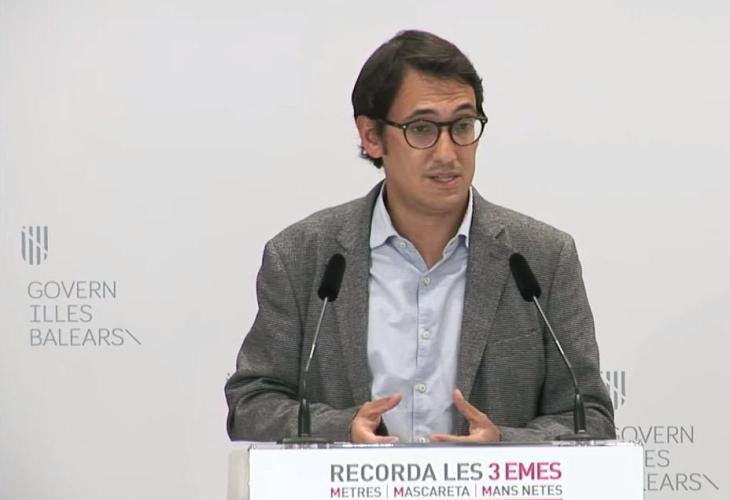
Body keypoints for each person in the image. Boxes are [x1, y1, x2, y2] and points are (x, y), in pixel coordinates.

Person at [225, 30, 614, 443]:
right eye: (422, 129)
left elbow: (589, 417)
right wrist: (342, 429)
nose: (447, 153)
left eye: (462, 126)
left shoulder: (541, 259)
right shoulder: (303, 258)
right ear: (372, 136)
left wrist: (502, 445)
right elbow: (252, 404)